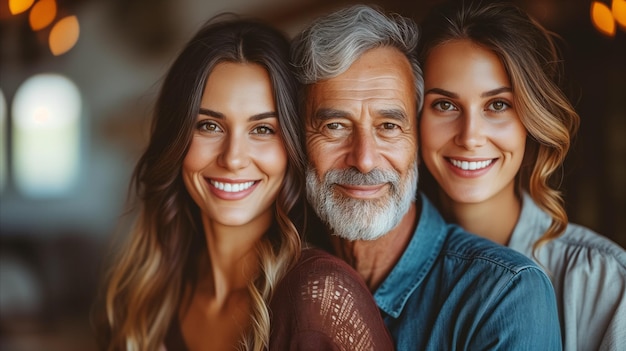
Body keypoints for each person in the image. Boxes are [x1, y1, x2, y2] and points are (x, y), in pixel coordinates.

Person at [93, 15, 394, 351]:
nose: (233, 158)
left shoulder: (321, 296)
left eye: (263, 129)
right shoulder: (144, 293)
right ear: (175, 139)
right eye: (209, 126)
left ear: (293, 146)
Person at [291, 4, 562, 350]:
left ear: (417, 138)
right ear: (298, 137)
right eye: (335, 126)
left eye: (388, 126)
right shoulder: (276, 274)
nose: (363, 159)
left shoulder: (504, 293)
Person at [416, 1, 626, 350]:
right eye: (444, 105)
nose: (470, 136)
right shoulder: (381, 272)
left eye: (497, 105)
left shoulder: (604, 281)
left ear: (530, 119)